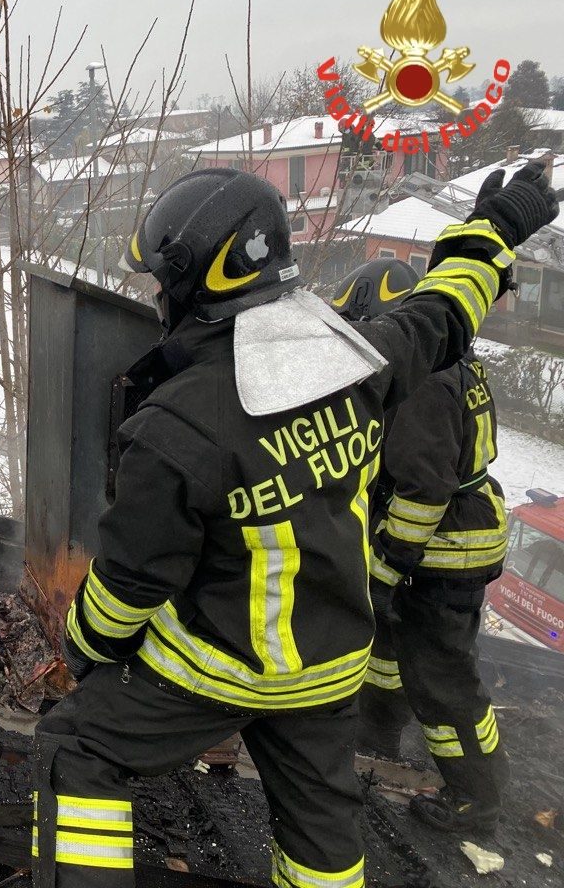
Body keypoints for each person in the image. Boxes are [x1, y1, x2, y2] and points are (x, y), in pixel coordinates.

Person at [32, 165, 557, 888]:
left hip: (219, 669)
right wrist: (495, 229)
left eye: (160, 282)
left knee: (73, 748)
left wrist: (85, 646)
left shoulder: (176, 426)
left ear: (196, 283)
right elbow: (445, 310)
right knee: (323, 838)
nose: (155, 296)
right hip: (329, 670)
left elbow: (130, 586)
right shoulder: (358, 360)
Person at [333, 257, 511, 836]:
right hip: (451, 539)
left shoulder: (423, 382)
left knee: (443, 680)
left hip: (445, 550)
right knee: (389, 652)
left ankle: (476, 799)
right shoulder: (449, 358)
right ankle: (379, 732)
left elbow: (423, 492)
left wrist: (384, 568)